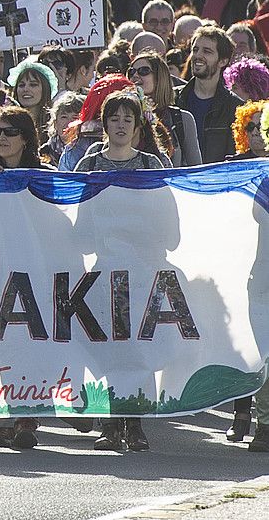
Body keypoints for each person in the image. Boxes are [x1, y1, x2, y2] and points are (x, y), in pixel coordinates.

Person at [74, 91, 168, 452]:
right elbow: (77, 220)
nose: (121, 124)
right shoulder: (90, 165)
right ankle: (110, 423)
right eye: (114, 118)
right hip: (102, 270)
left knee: (137, 349)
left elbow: (164, 221)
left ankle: (136, 421)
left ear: (138, 125)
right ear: (104, 123)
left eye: (128, 118)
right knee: (107, 348)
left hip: (142, 270)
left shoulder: (150, 165)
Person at [0, 106, 48, 449]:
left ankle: (27, 416)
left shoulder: (44, 174)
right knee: (0, 343)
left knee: (30, 343)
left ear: (25, 138)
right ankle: (3, 412)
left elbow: (58, 226)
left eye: (9, 131)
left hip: (36, 271)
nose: (2, 138)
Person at [175, 25, 242, 163]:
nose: (198, 55)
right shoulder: (173, 99)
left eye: (207, 51)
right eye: (195, 49)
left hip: (216, 182)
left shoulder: (235, 108)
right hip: (177, 181)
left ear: (222, 61)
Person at [127, 52, 201, 166]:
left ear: (159, 77)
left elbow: (196, 168)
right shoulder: (124, 117)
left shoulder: (182, 119)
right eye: (131, 72)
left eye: (144, 71)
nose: (135, 76)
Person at [7, 59, 58, 132]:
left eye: (33, 85)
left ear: (45, 89)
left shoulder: (55, 124)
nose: (26, 89)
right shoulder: (7, 122)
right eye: (21, 85)